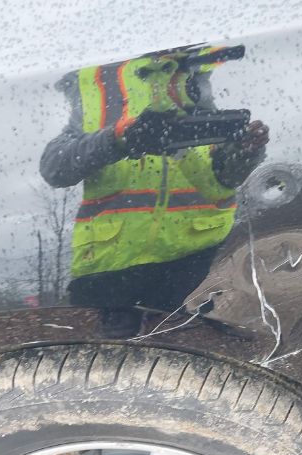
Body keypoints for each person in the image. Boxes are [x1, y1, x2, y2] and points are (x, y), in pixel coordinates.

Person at [40, 45, 268, 333]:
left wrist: (245, 152)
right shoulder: (97, 88)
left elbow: (224, 177)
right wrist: (120, 138)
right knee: (106, 372)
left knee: (209, 371)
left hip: (197, 269)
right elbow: (54, 167)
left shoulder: (197, 79)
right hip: (109, 279)